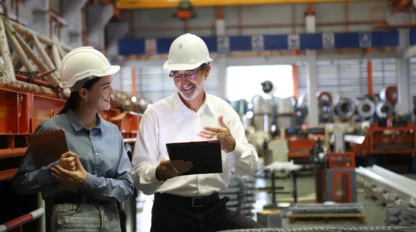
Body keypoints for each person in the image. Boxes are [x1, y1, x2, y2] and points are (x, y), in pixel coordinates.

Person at [132, 33, 264, 232]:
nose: (184, 82)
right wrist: (158, 172)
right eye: (177, 75)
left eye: (190, 73)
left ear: (207, 70)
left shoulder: (224, 111)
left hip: (214, 211)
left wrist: (233, 147)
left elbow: (249, 168)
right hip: (170, 213)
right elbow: (138, 175)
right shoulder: (155, 115)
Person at [12, 46, 134, 232]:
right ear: (84, 93)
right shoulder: (52, 129)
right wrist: (54, 169)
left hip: (111, 219)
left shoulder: (112, 133)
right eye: (105, 86)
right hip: (72, 219)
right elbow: (22, 183)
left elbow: (126, 187)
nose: (112, 91)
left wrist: (85, 181)